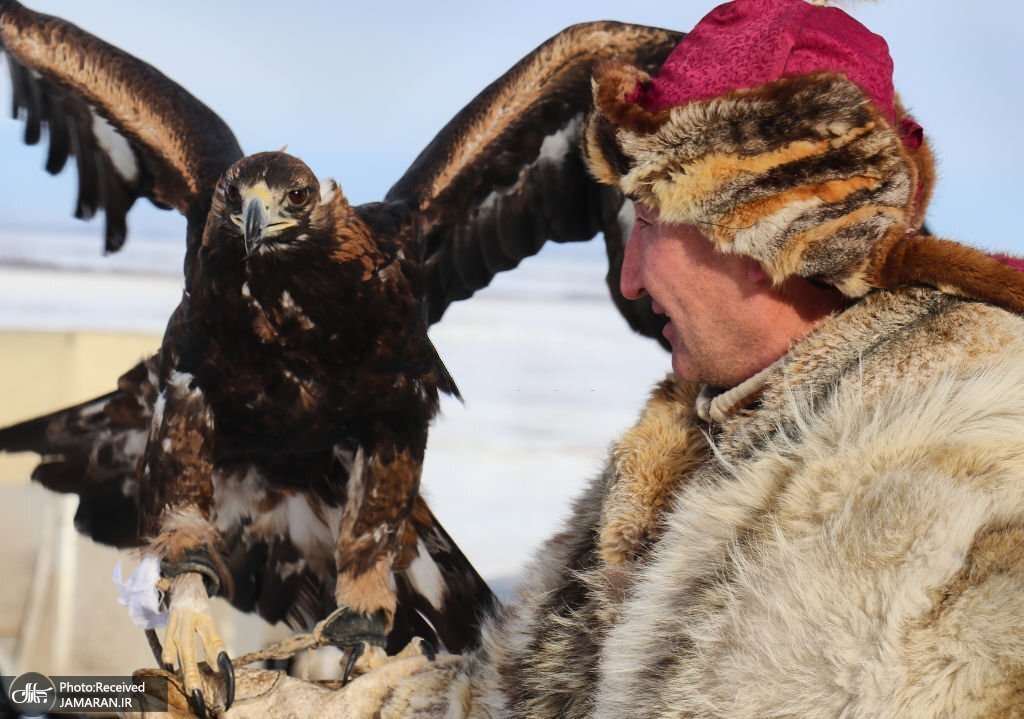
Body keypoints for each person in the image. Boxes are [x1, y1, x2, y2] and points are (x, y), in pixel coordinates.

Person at [171, 0, 1024, 715]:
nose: (628, 271)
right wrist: (256, 706)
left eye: (649, 218)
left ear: (771, 228)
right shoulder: (691, 456)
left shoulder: (969, 490)